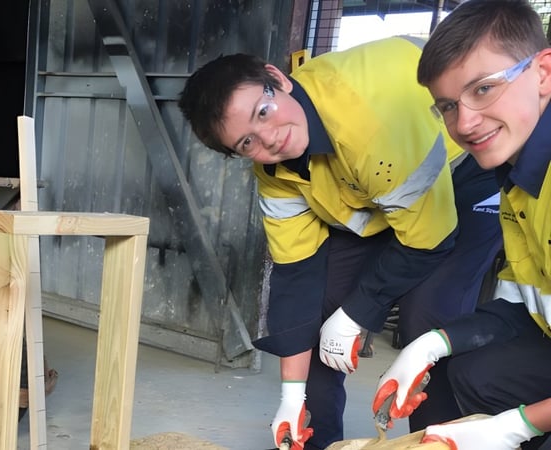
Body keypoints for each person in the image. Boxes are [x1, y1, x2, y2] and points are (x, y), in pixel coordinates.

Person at [177, 36, 504, 449]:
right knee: (320, 311)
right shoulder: (275, 174)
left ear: (278, 80)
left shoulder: (367, 125)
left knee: (427, 321)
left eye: (263, 111)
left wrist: (356, 314)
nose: (269, 138)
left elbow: (429, 241)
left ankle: (437, 442)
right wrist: (291, 397)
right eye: (246, 142)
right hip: (378, 191)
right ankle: (315, 441)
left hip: (464, 168)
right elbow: (296, 276)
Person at [372, 1, 551, 449]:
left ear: (543, 73)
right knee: (471, 372)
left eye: (485, 89)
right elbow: (521, 307)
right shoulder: (517, 178)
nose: (465, 123)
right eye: (448, 106)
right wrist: (430, 345)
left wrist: (518, 426)